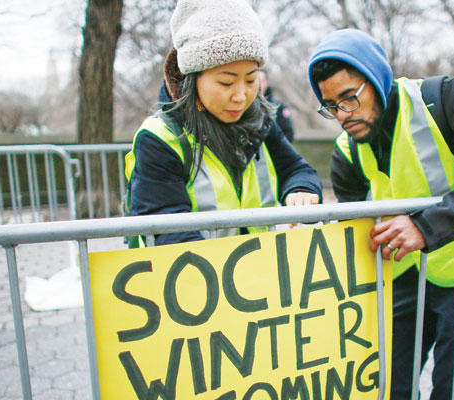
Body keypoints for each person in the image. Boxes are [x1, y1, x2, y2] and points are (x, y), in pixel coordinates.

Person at [307, 29, 454, 399]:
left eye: (349, 98)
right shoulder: (346, 151)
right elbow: (354, 228)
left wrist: (425, 227)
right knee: (387, 385)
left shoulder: (445, 99)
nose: (343, 114)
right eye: (330, 105)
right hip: (404, 277)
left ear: (377, 80)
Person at [125, 0, 322, 246]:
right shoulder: (159, 139)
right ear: (192, 79)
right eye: (226, 83)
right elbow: (167, 227)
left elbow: (296, 169)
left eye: (251, 81)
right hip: (196, 277)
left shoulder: (261, 122)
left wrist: (301, 190)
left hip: (255, 275)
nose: (241, 97)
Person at [259, 69, 296, 142]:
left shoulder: (279, 107)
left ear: (267, 82)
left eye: (261, 81)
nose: (259, 85)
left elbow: (288, 133)